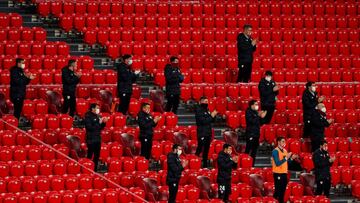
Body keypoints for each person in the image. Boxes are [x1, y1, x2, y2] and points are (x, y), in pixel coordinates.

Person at [272, 137, 298, 203]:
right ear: (278, 142)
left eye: (285, 141)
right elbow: (277, 163)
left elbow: (286, 162)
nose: (284, 143)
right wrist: (286, 158)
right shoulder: (275, 151)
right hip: (277, 173)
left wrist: (291, 158)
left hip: (284, 173)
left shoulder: (285, 151)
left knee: (282, 192)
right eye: (283, 141)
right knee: (277, 191)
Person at [84, 103, 108, 171]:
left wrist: (103, 122)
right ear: (93, 109)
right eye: (97, 108)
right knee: (90, 155)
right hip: (91, 139)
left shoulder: (98, 116)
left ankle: (94, 170)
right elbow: (89, 127)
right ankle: (87, 169)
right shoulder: (88, 116)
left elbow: (100, 128)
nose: (98, 109)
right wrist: (98, 124)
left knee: (97, 156)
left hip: (97, 139)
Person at [195, 97, 217, 168]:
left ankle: (205, 165)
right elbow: (203, 121)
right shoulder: (198, 110)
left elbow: (211, 121)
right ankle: (194, 162)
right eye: (205, 101)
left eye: (207, 101)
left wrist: (214, 116)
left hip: (208, 132)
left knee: (206, 150)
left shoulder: (207, 109)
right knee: (200, 148)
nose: (207, 103)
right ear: (201, 102)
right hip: (202, 132)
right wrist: (211, 116)